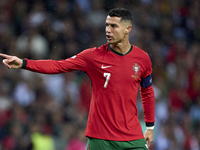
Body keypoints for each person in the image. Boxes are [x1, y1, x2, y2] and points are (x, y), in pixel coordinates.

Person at [0, 8, 155, 150]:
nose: (108, 30)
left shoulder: (142, 59)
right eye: (107, 25)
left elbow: (147, 92)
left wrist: (150, 127)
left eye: (113, 26)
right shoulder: (93, 56)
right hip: (101, 138)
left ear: (128, 29)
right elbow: (58, 66)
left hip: (132, 137)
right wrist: (24, 63)